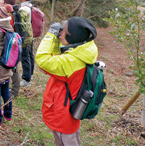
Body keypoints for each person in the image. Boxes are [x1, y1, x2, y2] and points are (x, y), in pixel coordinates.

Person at [35, 17, 98, 146]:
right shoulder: (82, 51)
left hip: (63, 114)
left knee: (66, 141)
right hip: (72, 109)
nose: (60, 33)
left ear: (73, 37)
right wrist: (57, 40)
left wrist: (49, 36)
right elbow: (57, 56)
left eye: (64, 31)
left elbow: (42, 59)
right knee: (74, 139)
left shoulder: (71, 62)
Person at [0, 0, 20, 98]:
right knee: (14, 67)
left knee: (9, 67)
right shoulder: (15, 13)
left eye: (2, 0)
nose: (0, 1)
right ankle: (14, 91)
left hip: (10, 44)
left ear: (6, 3)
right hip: (15, 44)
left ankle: (10, 91)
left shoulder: (9, 16)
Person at [18, 0, 34, 87]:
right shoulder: (30, 6)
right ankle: (30, 74)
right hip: (30, 35)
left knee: (25, 57)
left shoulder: (24, 9)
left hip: (26, 36)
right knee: (30, 55)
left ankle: (26, 80)